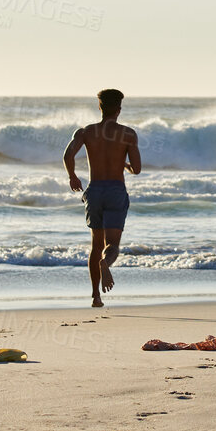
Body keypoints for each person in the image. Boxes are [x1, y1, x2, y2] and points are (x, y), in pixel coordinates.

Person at [62, 88, 141, 308]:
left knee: (95, 245)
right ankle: (106, 263)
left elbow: (68, 155)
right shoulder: (128, 134)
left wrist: (73, 177)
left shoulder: (86, 132)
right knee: (112, 244)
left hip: (94, 189)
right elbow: (137, 168)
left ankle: (96, 296)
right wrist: (125, 165)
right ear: (119, 109)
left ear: (100, 107)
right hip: (115, 189)